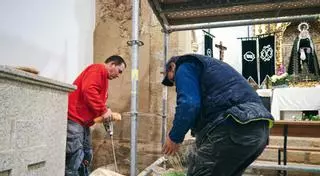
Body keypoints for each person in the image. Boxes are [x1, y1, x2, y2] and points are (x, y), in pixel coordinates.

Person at [161, 54, 274, 176]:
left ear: (172, 67)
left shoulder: (184, 66)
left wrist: (174, 137)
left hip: (235, 125)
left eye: (174, 80)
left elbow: (189, 104)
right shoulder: (209, 67)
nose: (177, 85)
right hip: (258, 130)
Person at [65, 55, 126, 176]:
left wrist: (104, 112)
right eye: (119, 71)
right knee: (75, 157)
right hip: (75, 119)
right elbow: (89, 90)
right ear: (112, 65)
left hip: (83, 122)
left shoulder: (102, 77)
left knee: (86, 155)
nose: (118, 75)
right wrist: (103, 110)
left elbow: (93, 97)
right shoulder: (98, 69)